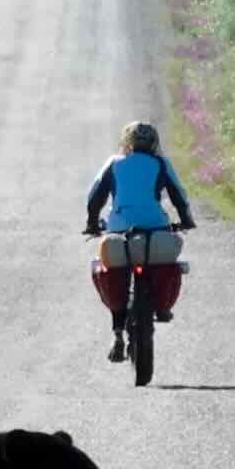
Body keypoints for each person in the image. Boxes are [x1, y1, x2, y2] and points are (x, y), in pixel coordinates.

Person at [84, 121, 196, 363]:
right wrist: (186, 220)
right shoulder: (161, 164)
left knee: (113, 272)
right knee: (161, 265)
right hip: (155, 230)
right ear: (154, 143)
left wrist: (93, 223)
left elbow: (95, 197)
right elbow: (179, 196)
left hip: (119, 232)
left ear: (127, 142)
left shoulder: (114, 163)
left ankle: (117, 334)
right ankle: (162, 307)